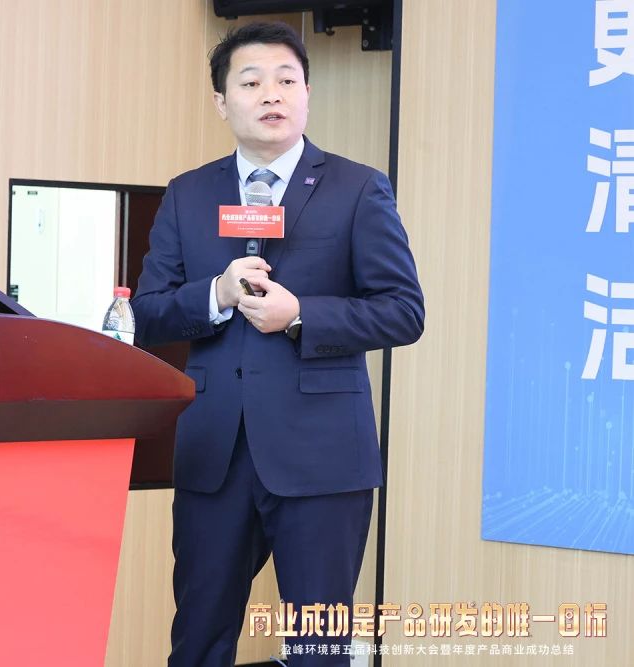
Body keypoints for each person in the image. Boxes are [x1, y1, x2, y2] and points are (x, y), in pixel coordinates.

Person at [131, 21, 424, 667]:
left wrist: (300, 316)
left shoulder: (357, 188)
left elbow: (403, 312)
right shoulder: (188, 194)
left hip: (322, 455)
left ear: (306, 95)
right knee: (198, 638)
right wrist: (216, 293)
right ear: (222, 102)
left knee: (318, 646)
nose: (272, 93)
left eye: (287, 80)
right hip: (215, 452)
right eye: (252, 82)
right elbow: (148, 315)